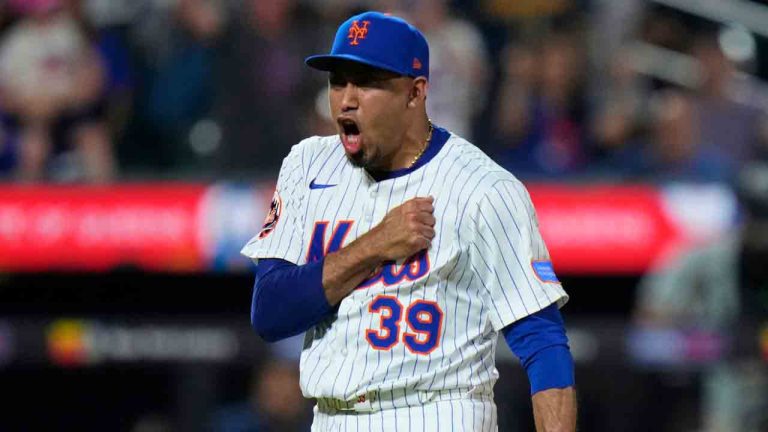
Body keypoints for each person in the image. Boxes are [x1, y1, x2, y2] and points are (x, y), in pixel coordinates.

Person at [241, 11, 576, 431]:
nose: (346, 98)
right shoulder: (307, 165)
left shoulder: (483, 188)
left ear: (415, 93)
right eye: (337, 80)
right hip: (332, 416)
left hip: (437, 412)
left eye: (365, 82)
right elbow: (270, 313)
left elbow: (543, 345)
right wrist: (376, 245)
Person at [634, 162, 768, 432]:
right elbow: (650, 314)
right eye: (758, 214)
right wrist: (701, 325)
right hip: (724, 370)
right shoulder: (706, 257)